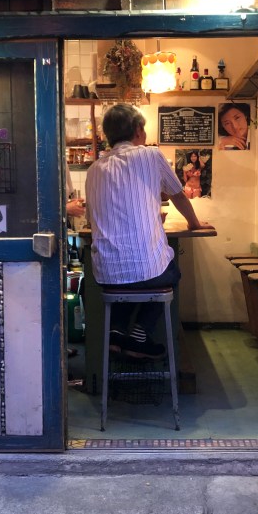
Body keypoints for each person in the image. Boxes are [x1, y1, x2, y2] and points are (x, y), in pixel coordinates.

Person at [85, 103, 213, 360]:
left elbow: (92, 218)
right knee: (171, 272)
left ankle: (117, 332)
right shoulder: (151, 156)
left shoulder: (94, 170)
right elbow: (178, 195)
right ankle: (139, 336)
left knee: (125, 278)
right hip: (149, 274)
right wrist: (195, 223)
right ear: (137, 130)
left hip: (106, 275)